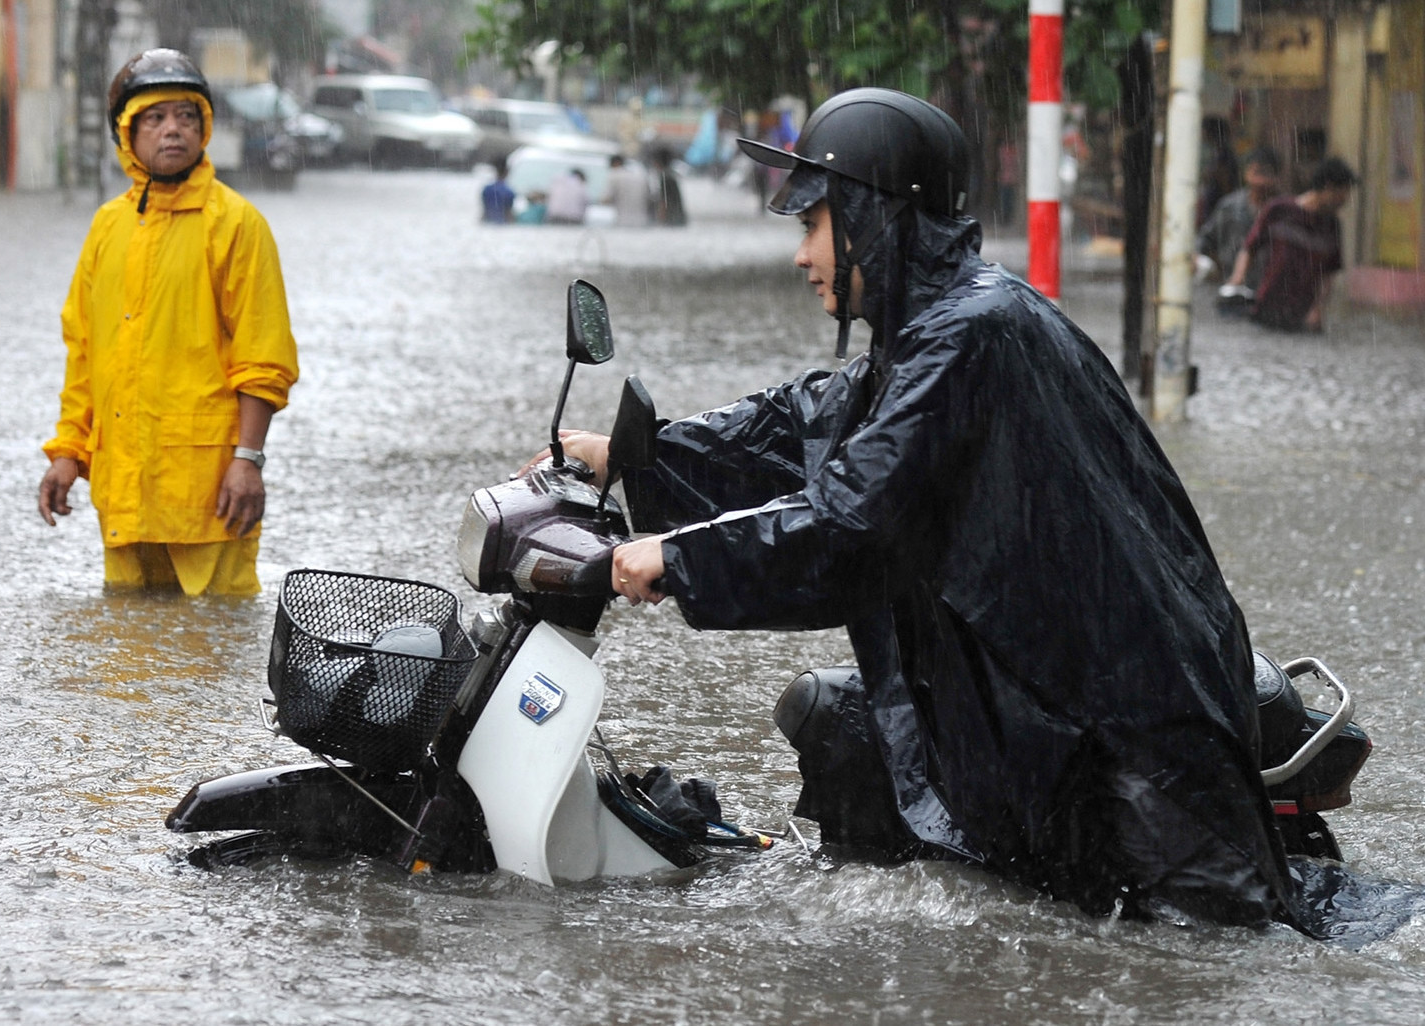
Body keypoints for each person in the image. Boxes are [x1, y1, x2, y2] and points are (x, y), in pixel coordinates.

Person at [543, 88, 1309, 930]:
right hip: (1052, 698)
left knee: (1194, 968)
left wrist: (678, 558)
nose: (801, 257)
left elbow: (850, 522)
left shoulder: (970, 334)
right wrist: (637, 455)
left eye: (811, 226)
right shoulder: (933, 330)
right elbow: (803, 421)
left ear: (874, 218)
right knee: (845, 733)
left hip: (1132, 729)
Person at [37, 49, 299, 596]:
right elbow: (84, 352)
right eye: (154, 119)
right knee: (130, 656)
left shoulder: (236, 225)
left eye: (186, 116)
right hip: (122, 489)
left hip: (208, 491)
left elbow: (264, 357)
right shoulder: (108, 227)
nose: (172, 130)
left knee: (212, 646)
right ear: (127, 136)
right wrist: (68, 453)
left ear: (204, 128)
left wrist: (247, 461)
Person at [1228, 157, 1357, 333]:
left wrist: (1318, 309)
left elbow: (1328, 274)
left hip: (1300, 316)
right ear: (1328, 188)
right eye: (1343, 193)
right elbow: (1249, 247)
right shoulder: (1279, 210)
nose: (1345, 200)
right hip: (1265, 306)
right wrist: (1238, 278)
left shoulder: (1332, 226)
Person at [1197, 147, 1282, 293]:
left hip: (1271, 292)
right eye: (1256, 173)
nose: (1260, 181)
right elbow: (1205, 241)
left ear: (1276, 177)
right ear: (1246, 173)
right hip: (1230, 289)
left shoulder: (1284, 211)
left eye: (1266, 174)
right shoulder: (1230, 207)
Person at [604, 155, 651, 227]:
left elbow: (606, 199)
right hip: (642, 221)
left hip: (623, 221)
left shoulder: (614, 175)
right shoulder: (640, 176)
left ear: (615, 163)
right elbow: (649, 198)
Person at [649, 147, 687, 227]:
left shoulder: (665, 177)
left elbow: (664, 202)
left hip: (672, 219)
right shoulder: (670, 174)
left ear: (658, 162)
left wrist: (660, 220)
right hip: (679, 218)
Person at [481, 158, 517, 224]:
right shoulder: (509, 192)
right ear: (507, 172)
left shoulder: (486, 189)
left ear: (496, 171)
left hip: (487, 223)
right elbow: (508, 213)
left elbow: (484, 212)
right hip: (502, 224)